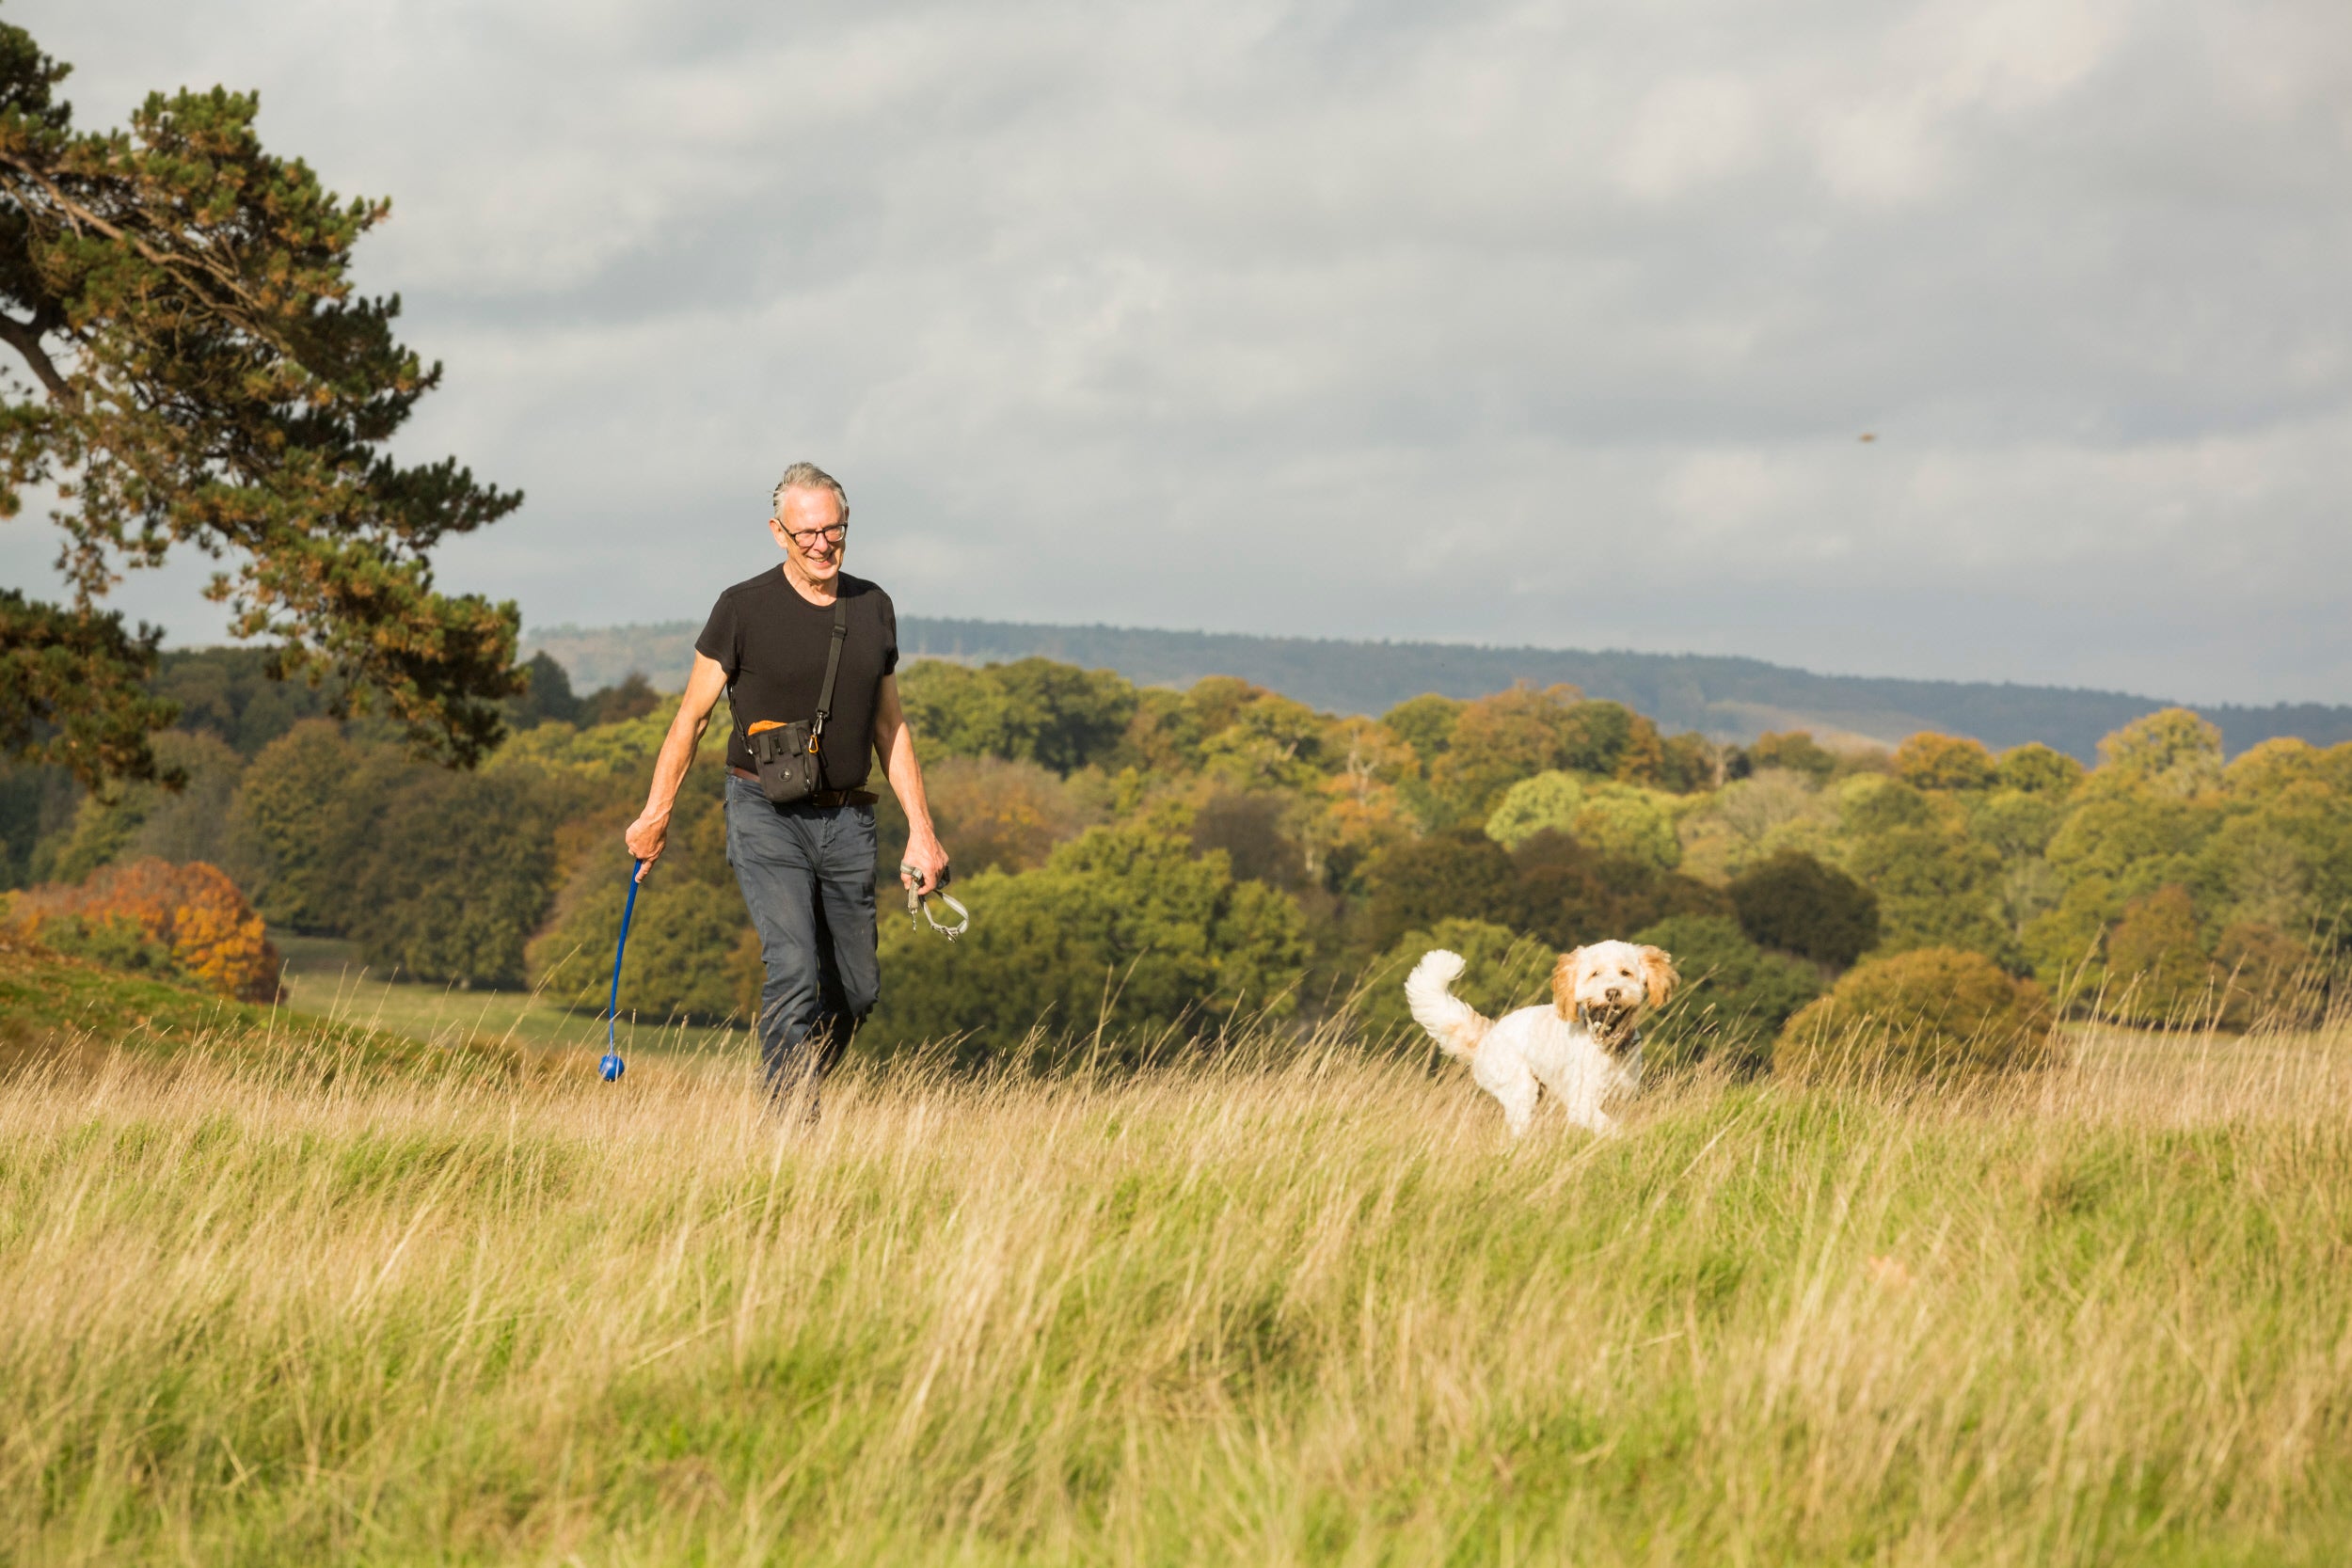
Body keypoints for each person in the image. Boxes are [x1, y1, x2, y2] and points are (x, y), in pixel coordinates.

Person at [625, 463, 949, 1110]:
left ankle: (796, 1080)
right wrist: (655, 814)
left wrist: (923, 831)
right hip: (764, 812)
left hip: (848, 820)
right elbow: (690, 718)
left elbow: (891, 724)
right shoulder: (741, 608)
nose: (823, 544)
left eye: (835, 529)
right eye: (807, 534)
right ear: (778, 532)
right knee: (795, 970)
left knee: (856, 991)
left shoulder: (873, 606)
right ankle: (788, 1128)